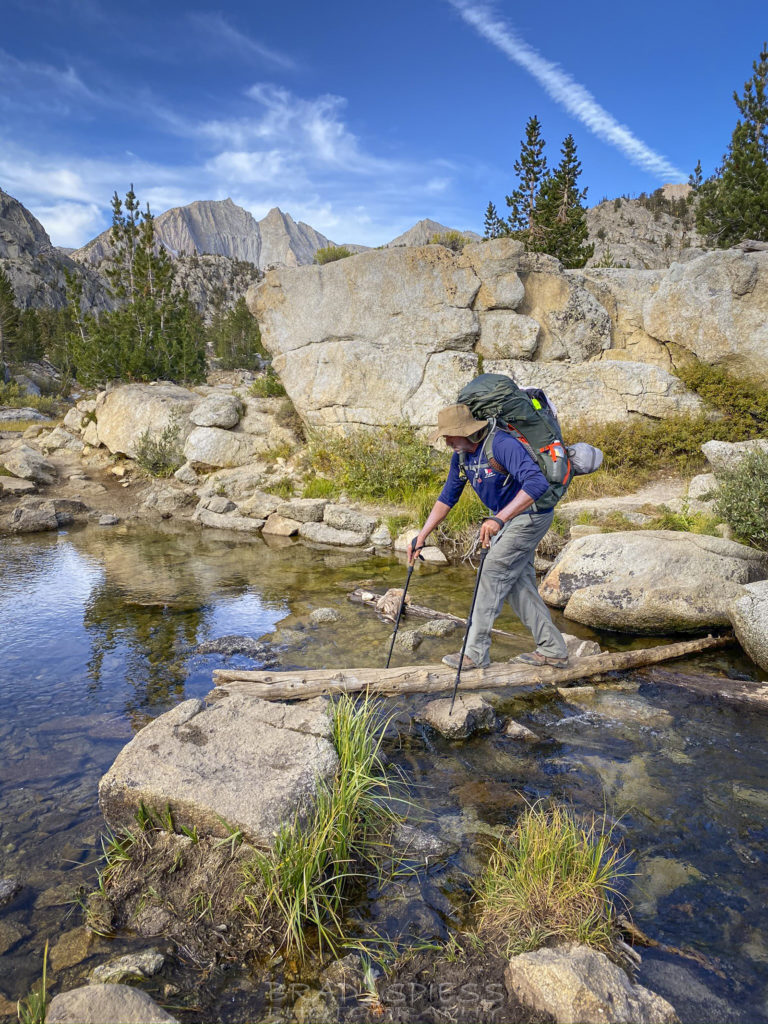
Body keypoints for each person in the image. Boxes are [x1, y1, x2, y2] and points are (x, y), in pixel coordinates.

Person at [408, 403, 568, 669]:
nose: (446, 441)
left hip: (531, 516)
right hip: (507, 519)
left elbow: (537, 484)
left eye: (449, 435)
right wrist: (422, 535)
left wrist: (499, 518)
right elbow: (448, 497)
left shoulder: (502, 445)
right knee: (519, 585)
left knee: (491, 571)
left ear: (466, 431)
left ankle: (474, 653)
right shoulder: (461, 456)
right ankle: (553, 649)